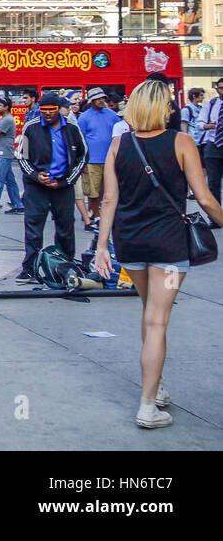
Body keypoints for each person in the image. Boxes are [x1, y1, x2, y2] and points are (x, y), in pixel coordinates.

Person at [94, 80, 223, 428]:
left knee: (150, 315)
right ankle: (148, 406)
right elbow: (206, 198)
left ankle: (157, 386)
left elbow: (109, 200)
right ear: (162, 107)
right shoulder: (182, 142)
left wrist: (102, 246)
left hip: (131, 243)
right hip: (168, 246)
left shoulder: (119, 144)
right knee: (157, 320)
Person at [16, 92, 89, 283]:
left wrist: (66, 182)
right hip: (37, 185)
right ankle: (30, 269)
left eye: (51, 110)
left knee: (65, 227)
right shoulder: (31, 127)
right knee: (33, 227)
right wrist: (35, 175)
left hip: (62, 184)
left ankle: (65, 266)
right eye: (44, 111)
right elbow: (21, 156)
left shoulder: (72, 128)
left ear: (59, 109)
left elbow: (83, 156)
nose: (47, 114)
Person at [77, 88, 120, 226]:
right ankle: (95, 215)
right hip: (91, 160)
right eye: (98, 98)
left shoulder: (112, 115)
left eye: (103, 98)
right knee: (93, 191)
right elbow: (80, 139)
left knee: (105, 190)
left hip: (109, 159)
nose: (101, 100)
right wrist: (82, 161)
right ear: (92, 100)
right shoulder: (84, 117)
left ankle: (99, 213)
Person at [199, 77, 223, 202]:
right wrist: (208, 125)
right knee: (213, 183)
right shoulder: (211, 104)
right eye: (221, 88)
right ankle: (215, 219)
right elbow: (200, 123)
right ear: (217, 89)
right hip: (213, 145)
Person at [184, 87, 206, 160]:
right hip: (194, 142)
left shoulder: (201, 109)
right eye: (201, 95)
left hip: (202, 141)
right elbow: (184, 126)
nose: (203, 97)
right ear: (194, 96)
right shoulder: (186, 110)